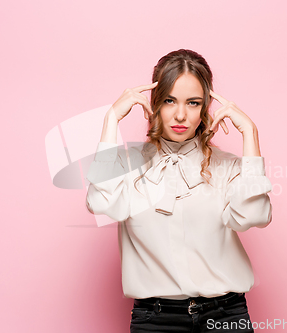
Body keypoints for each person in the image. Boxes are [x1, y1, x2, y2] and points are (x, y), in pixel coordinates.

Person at [86, 49, 273, 333]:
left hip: (225, 316)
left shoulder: (229, 167)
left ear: (206, 106)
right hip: (155, 320)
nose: (181, 115)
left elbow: (252, 216)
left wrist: (251, 134)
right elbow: (100, 202)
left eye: (193, 102)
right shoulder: (127, 164)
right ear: (155, 103)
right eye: (169, 100)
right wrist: (110, 120)